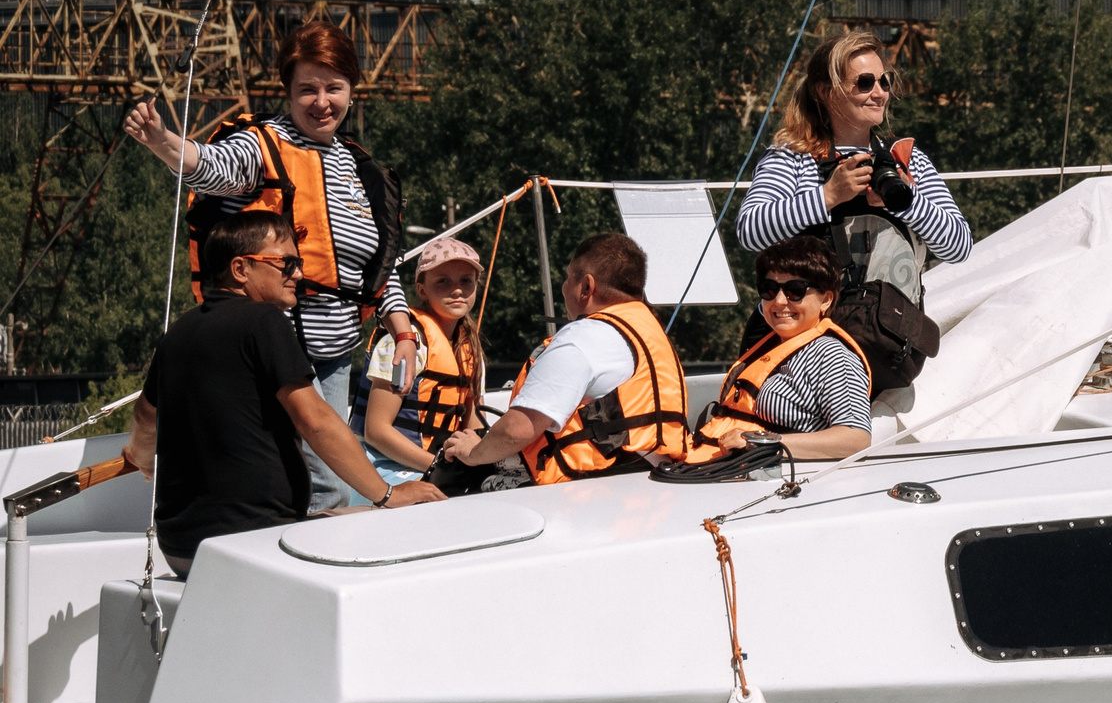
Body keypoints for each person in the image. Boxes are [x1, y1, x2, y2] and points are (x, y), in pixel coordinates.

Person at [123, 21, 418, 512]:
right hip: (273, 344)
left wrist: (402, 329)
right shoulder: (262, 146)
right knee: (324, 482)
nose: (321, 101)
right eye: (307, 89)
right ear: (288, 91)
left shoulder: (360, 168)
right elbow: (212, 166)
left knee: (319, 474)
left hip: (335, 348)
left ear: (351, 92)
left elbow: (376, 266)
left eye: (333, 88)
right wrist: (163, 142)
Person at [122, 212, 440, 573]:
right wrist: (388, 494)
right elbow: (316, 421)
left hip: (180, 549)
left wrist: (143, 460)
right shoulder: (264, 321)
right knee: (400, 527)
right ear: (241, 269)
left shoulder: (177, 332)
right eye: (286, 263)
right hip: (255, 545)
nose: (299, 275)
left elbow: (146, 419)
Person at [735, 27, 973, 396]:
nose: (879, 92)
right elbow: (751, 231)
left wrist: (907, 202)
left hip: (884, 344)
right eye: (864, 82)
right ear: (826, 92)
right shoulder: (792, 158)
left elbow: (958, 247)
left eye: (884, 81)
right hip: (802, 349)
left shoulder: (908, 161)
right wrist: (827, 196)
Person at [436, 233, 692, 490]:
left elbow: (517, 431)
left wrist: (474, 451)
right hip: (652, 474)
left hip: (586, 489)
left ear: (586, 286)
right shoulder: (648, 333)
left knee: (456, 483)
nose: (564, 287)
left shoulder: (582, 338)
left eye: (568, 277)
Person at [694, 236, 874, 460]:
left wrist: (760, 441)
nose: (779, 301)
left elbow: (856, 439)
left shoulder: (832, 356)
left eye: (795, 290)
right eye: (769, 289)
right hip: (723, 475)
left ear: (826, 299)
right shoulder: (767, 347)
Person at [355, 237, 486, 494]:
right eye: (443, 281)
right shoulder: (403, 344)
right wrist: (441, 466)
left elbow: (473, 425)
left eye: (466, 281)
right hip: (382, 465)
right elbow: (375, 431)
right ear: (422, 289)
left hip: (434, 466)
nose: (457, 290)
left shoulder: (471, 350)